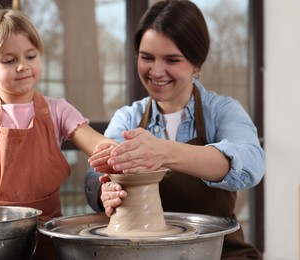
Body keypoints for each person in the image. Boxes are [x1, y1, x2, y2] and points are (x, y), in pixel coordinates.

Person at [85, 0, 266, 259]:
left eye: (172, 59)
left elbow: (251, 163)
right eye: (147, 57)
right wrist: (104, 191)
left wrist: (164, 152)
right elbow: (95, 174)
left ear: (196, 63)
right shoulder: (128, 118)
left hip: (220, 252)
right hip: (143, 253)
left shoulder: (222, 111)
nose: (156, 71)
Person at [0, 9, 115, 260]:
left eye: (30, 56)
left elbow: (98, 144)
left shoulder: (59, 111)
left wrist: (119, 148)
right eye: (9, 60)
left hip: (48, 232)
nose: (23, 66)